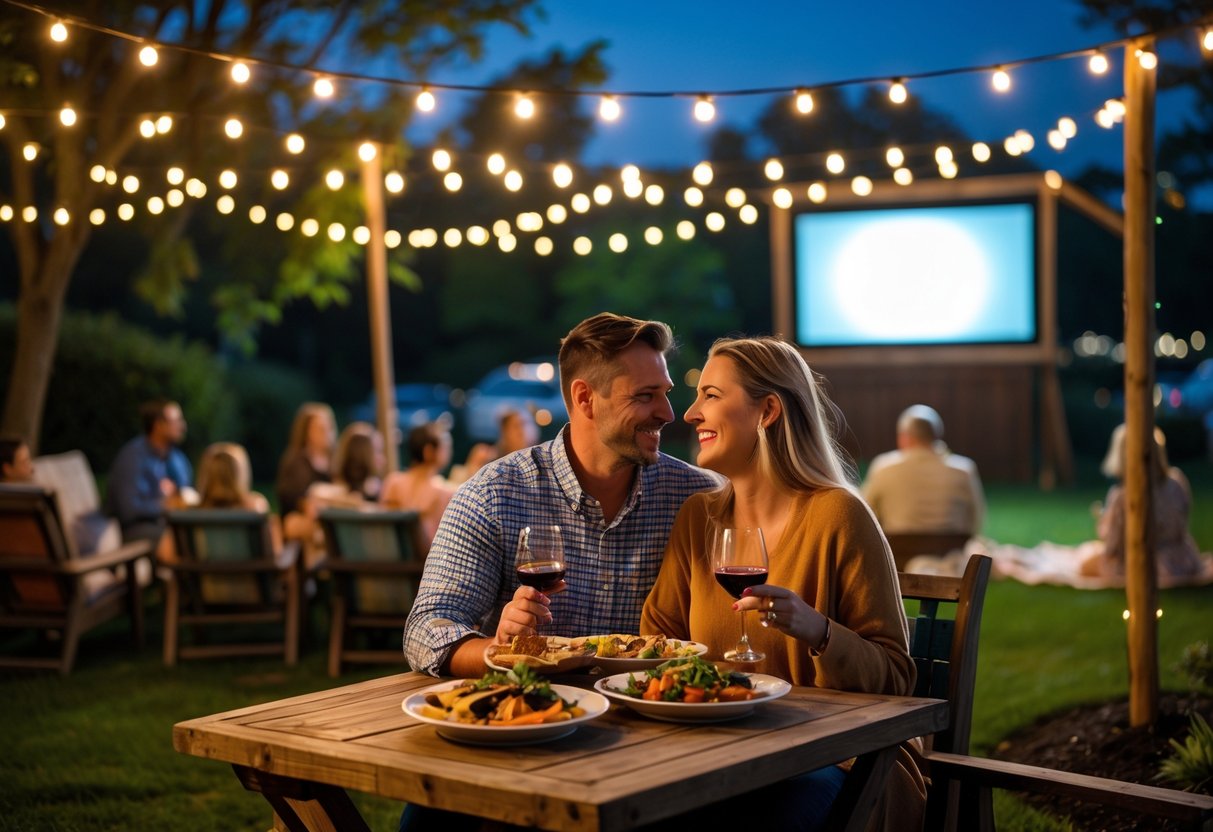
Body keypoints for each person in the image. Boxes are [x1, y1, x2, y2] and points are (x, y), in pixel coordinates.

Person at [641, 336, 922, 832]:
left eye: (711, 395)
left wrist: (819, 631)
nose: (689, 413)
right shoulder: (697, 518)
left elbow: (897, 676)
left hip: (842, 760)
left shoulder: (837, 514)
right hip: (722, 755)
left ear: (768, 410)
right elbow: (655, 639)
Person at [403, 312, 720, 679]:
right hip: (537, 720)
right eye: (645, 396)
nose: (667, 413)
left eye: (664, 394)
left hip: (654, 718)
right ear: (585, 397)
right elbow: (426, 631)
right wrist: (502, 651)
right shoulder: (493, 494)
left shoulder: (697, 497)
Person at [1079, 423, 1205, 581]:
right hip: (1183, 559)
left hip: (1142, 563)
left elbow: (1113, 545)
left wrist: (1103, 525)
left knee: (1087, 561)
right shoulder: (1177, 481)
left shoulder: (1122, 496)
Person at [862, 404, 985, 537]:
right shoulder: (964, 470)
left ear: (903, 437)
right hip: (952, 555)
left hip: (899, 555)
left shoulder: (883, 468)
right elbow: (974, 520)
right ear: (937, 435)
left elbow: (865, 514)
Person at [158, 442, 282, 563]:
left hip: (203, 583)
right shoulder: (255, 509)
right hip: (247, 583)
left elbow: (165, 554)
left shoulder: (189, 516)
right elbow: (275, 552)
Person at [105, 399, 194, 545]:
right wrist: (163, 506)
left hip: (167, 525)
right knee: (182, 542)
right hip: (136, 530)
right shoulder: (132, 457)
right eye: (176, 420)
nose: (182, 426)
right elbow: (128, 510)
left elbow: (185, 493)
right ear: (158, 425)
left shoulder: (177, 458)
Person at [380, 422, 457, 551]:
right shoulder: (444, 493)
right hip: (425, 565)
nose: (449, 452)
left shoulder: (392, 482)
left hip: (389, 564)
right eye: (445, 447)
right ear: (429, 451)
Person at [275, 402, 337, 518]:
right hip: (302, 518)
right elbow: (292, 497)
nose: (326, 433)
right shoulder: (296, 462)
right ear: (306, 431)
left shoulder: (337, 462)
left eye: (329, 427)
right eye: (320, 428)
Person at [447, 408, 538, 486]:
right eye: (516, 426)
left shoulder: (535, 460)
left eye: (525, 425)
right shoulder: (486, 457)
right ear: (504, 431)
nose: (522, 431)